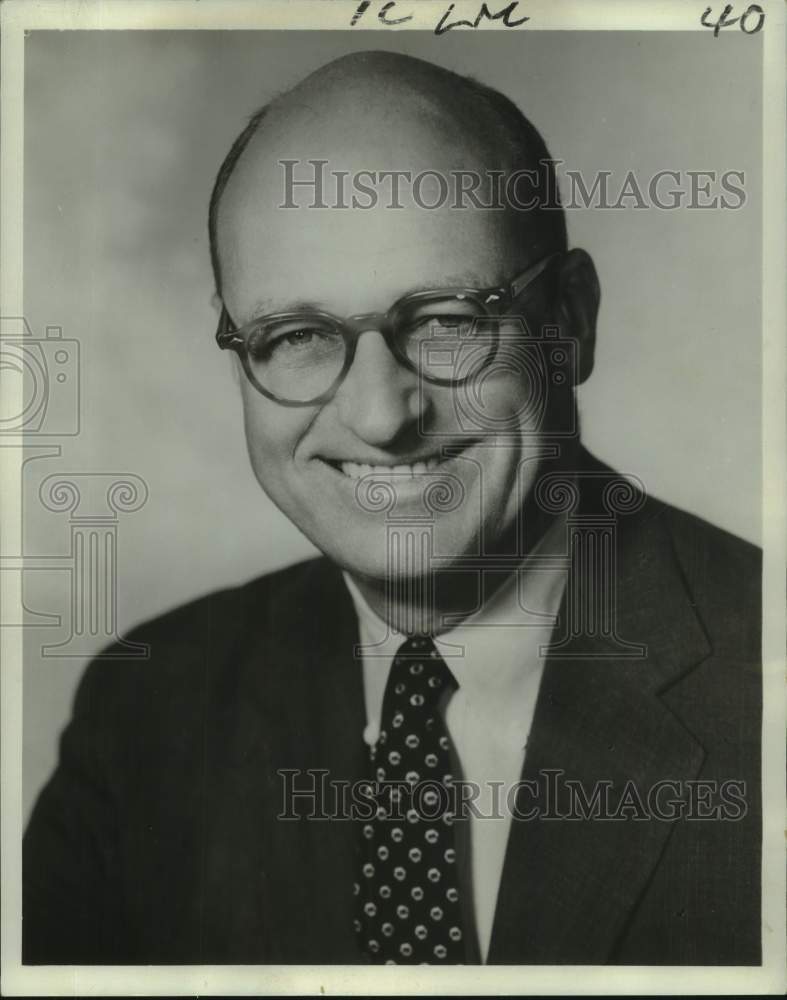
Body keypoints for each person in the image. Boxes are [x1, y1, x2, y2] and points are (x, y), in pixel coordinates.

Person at [23, 50, 761, 966]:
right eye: (295, 336)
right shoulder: (144, 711)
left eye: (447, 319)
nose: (380, 415)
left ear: (568, 322)